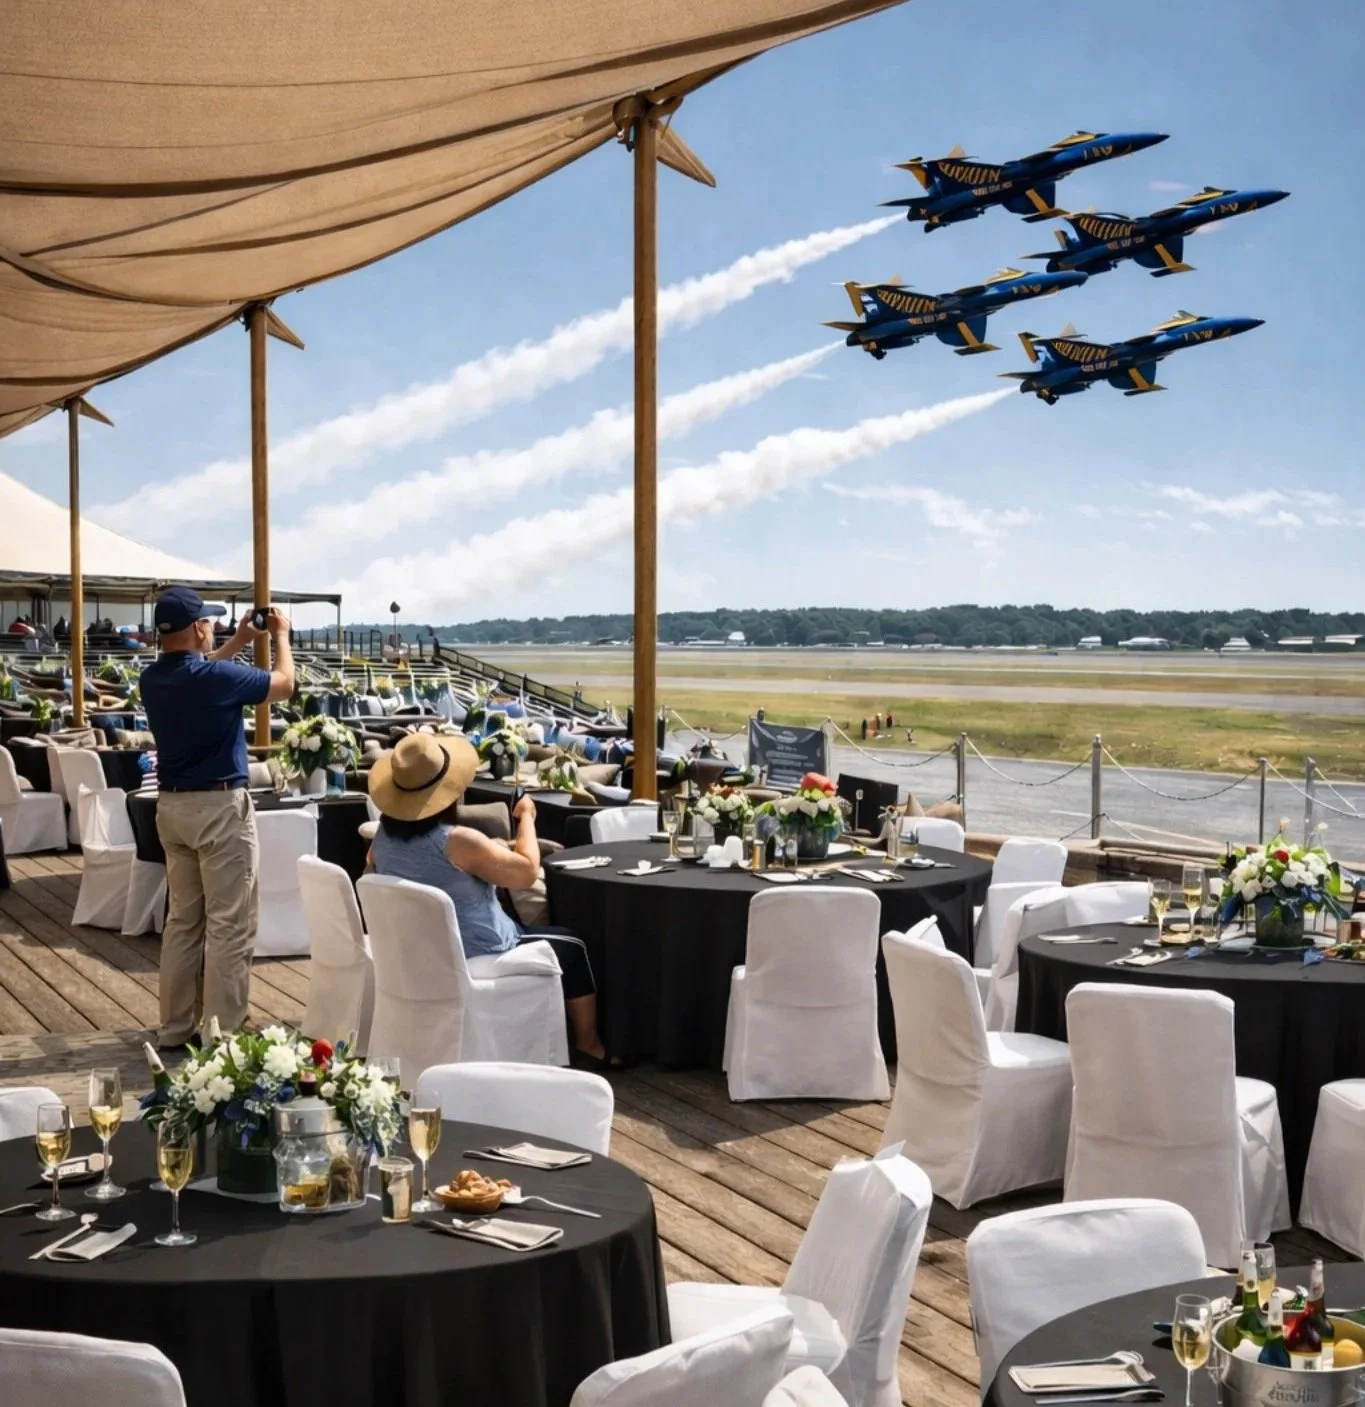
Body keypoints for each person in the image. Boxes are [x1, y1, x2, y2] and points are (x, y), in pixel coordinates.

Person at [368, 732, 608, 1066]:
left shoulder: (382, 840)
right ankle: (590, 1046)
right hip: (477, 950)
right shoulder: (457, 842)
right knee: (573, 946)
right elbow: (526, 872)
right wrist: (527, 818)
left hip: (418, 951)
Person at [140, 587, 295, 1049]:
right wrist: (281, 638)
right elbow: (283, 684)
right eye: (207, 622)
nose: (213, 627)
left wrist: (241, 641)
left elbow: (204, 673)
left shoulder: (153, 679)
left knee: (183, 922)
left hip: (172, 807)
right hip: (219, 808)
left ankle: (173, 1027)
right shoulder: (214, 679)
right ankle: (223, 1034)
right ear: (197, 629)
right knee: (230, 923)